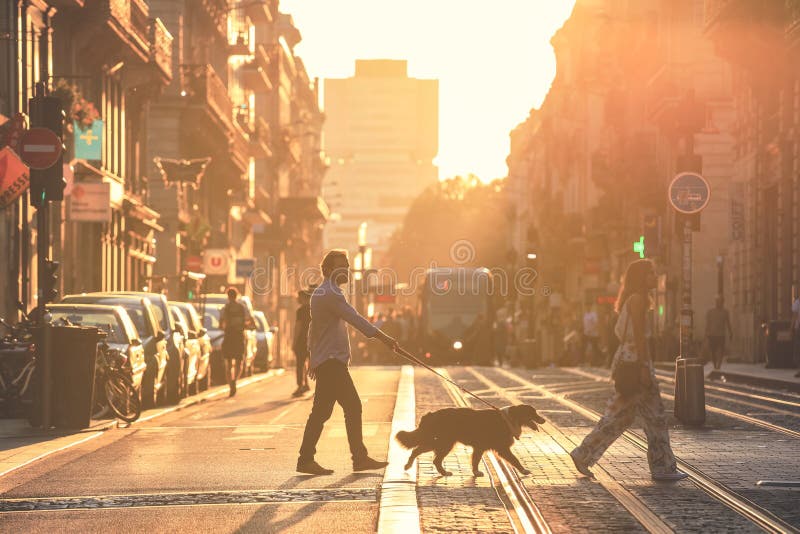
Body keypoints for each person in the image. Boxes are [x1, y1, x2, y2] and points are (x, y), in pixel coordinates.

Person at [570, 259, 687, 481]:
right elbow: (640, 336)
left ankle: (583, 454)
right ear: (640, 277)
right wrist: (644, 367)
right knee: (655, 418)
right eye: (650, 273)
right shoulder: (638, 300)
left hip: (627, 360)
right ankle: (662, 467)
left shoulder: (633, 299)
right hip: (636, 362)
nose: (654, 276)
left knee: (619, 418)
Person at [297, 249, 399, 475]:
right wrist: (384, 338)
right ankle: (358, 458)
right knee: (352, 406)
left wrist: (313, 359)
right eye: (343, 266)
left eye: (348, 266)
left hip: (328, 361)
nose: (348, 270)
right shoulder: (330, 294)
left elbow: (314, 330)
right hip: (331, 362)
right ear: (330, 270)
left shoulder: (324, 292)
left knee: (322, 412)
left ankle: (306, 459)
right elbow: (354, 318)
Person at [218, 287, 253, 397]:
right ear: (237, 295)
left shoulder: (225, 308)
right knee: (239, 361)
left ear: (228, 296)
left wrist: (225, 327)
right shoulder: (242, 308)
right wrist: (244, 326)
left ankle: (230, 384)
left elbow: (221, 323)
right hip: (239, 336)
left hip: (229, 336)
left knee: (228, 362)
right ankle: (234, 380)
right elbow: (250, 320)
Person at [291, 284, 316, 397]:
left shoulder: (300, 311)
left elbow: (298, 327)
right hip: (314, 340)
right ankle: (311, 385)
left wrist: (294, 342)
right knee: (314, 363)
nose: (298, 299)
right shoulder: (314, 309)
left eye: (299, 297)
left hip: (302, 341)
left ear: (305, 298)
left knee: (300, 364)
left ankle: (301, 386)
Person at [705, 296, 733, 370]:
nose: (719, 303)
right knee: (713, 351)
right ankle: (715, 365)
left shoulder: (725, 312)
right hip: (712, 334)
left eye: (720, 302)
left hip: (721, 334)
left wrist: (730, 332)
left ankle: (719, 365)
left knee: (721, 350)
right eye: (717, 301)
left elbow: (728, 323)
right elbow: (708, 323)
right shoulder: (710, 312)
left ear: (723, 303)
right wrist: (706, 333)